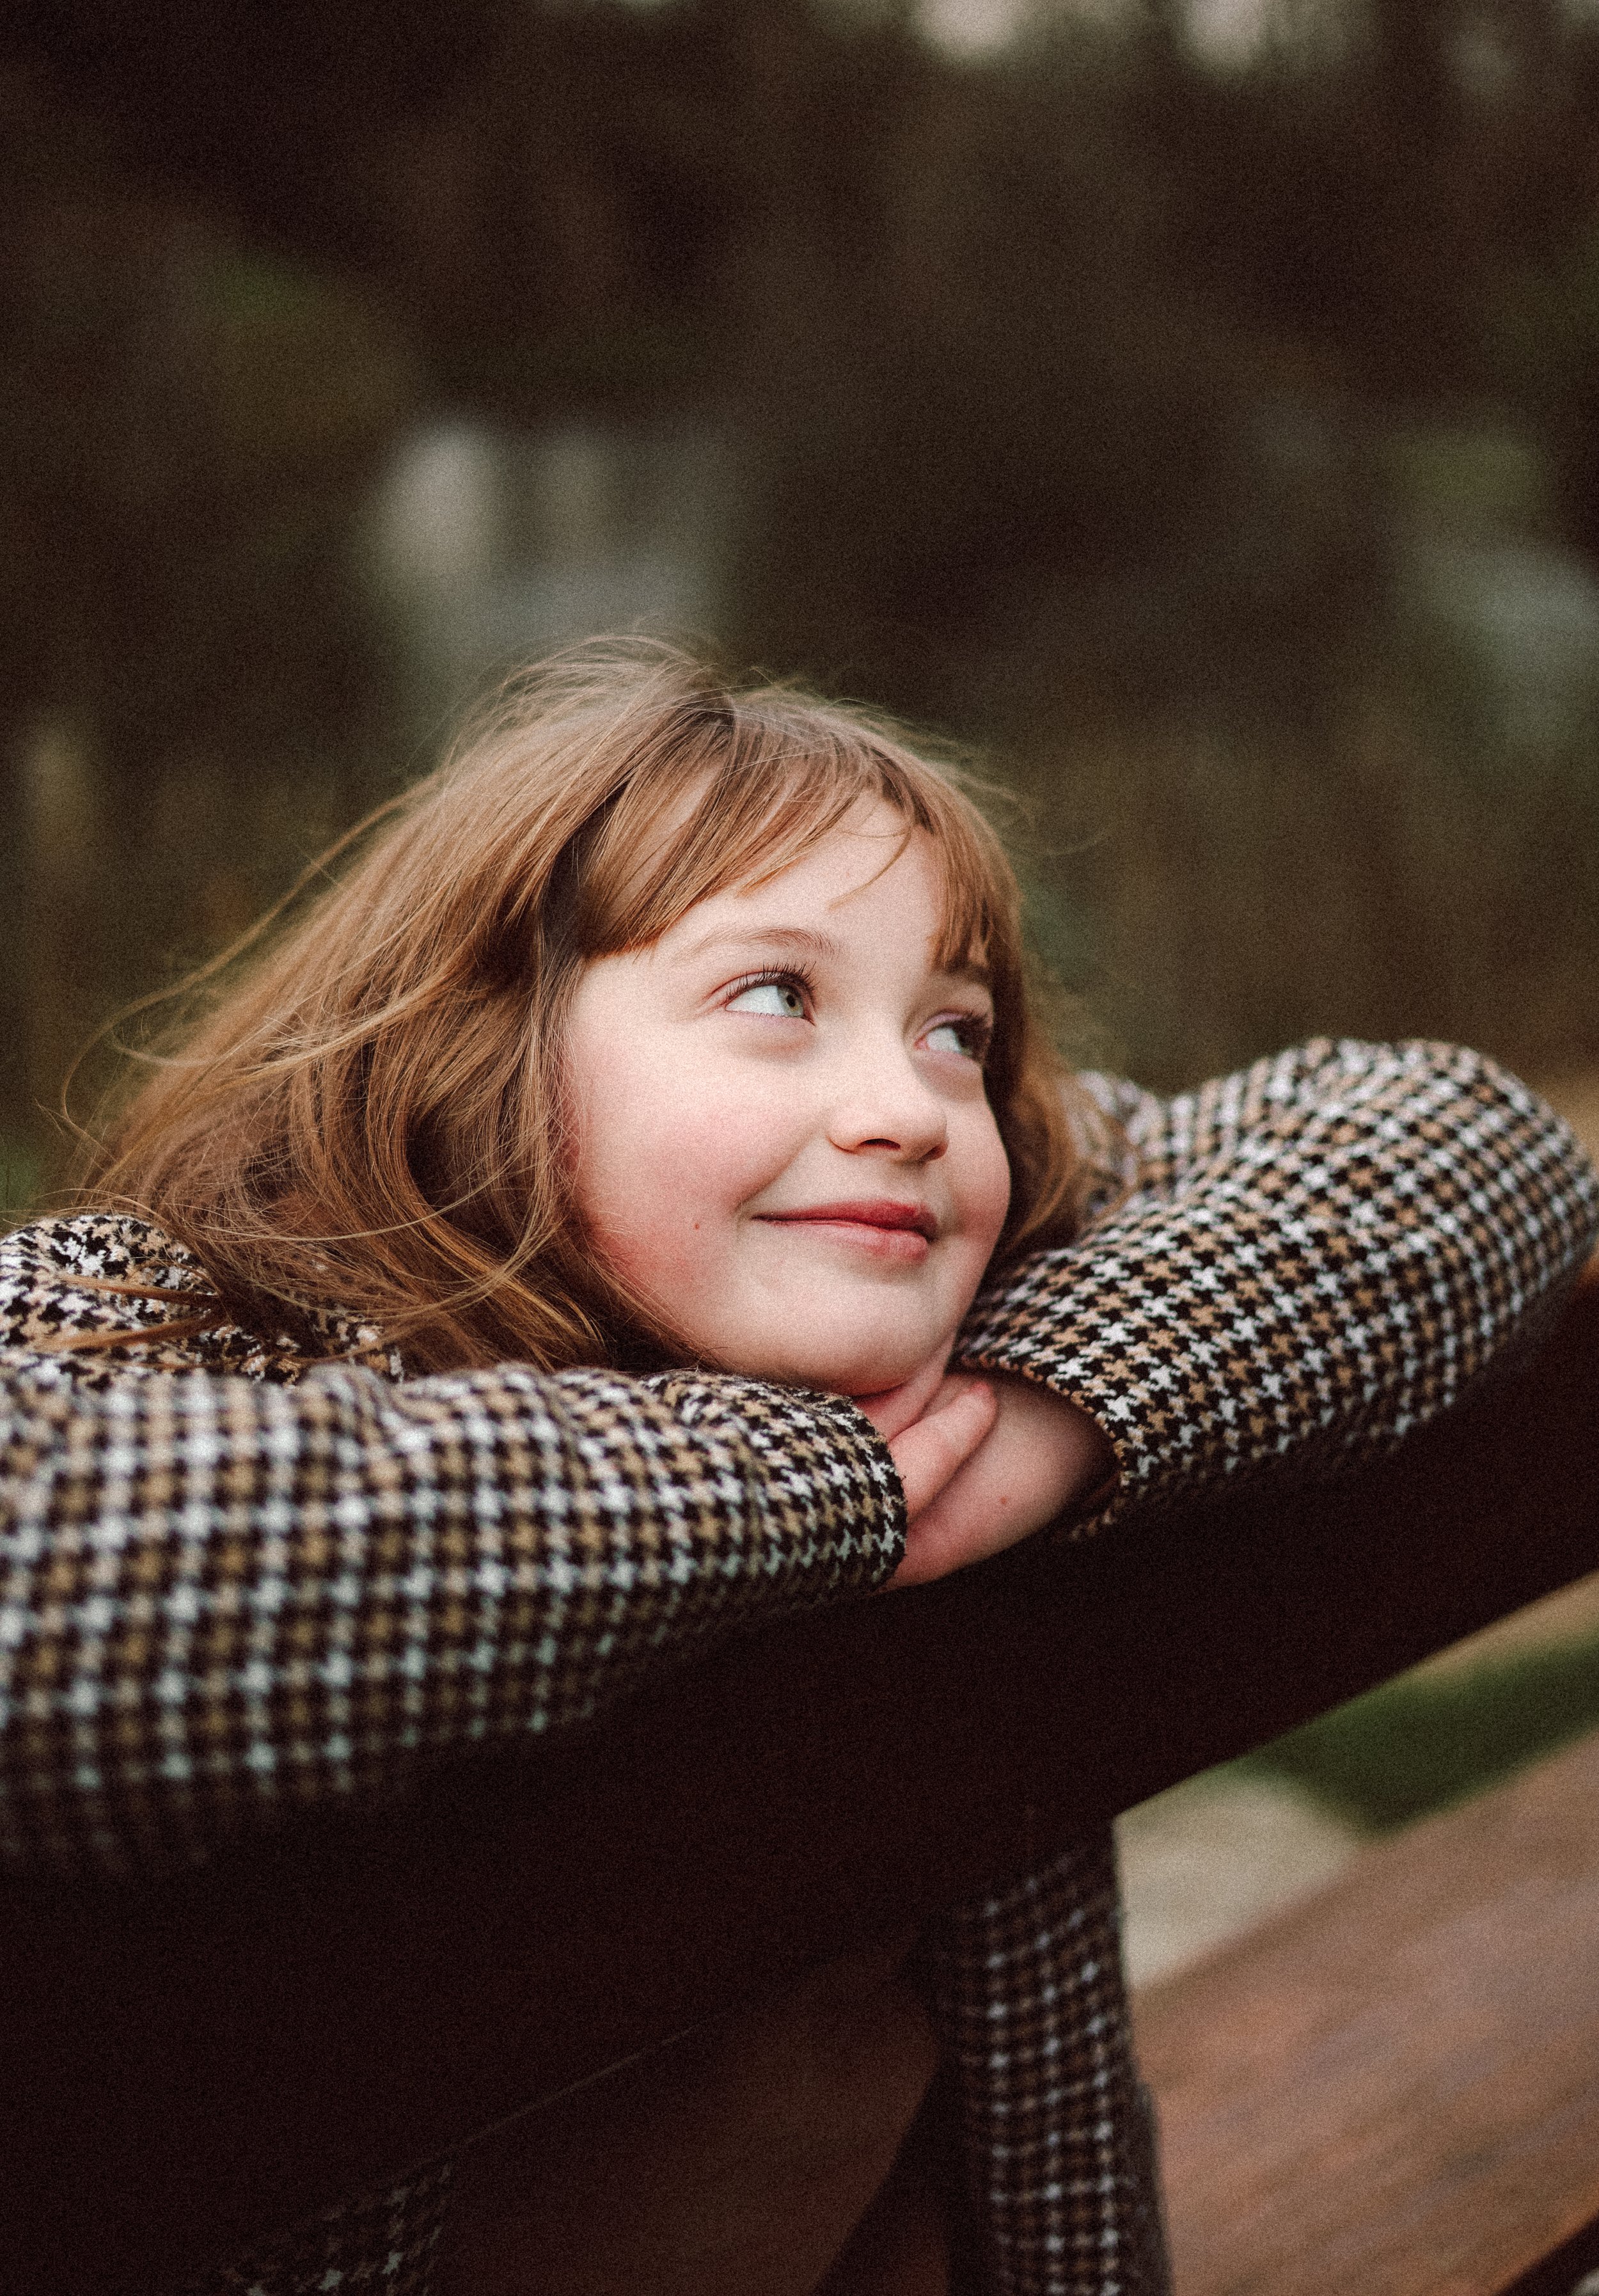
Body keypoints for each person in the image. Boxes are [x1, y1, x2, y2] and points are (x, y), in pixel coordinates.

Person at [1, 640, 1595, 2296]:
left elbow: (1467, 1144)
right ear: (489, 1036)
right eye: (777, 996)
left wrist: (1050, 1411)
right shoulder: (164, 1313)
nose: (901, 1104)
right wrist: (802, 1487)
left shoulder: (967, 1253)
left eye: (953, 1028)